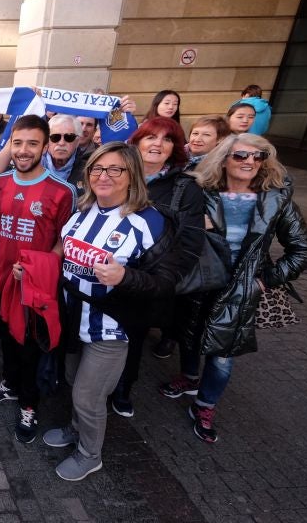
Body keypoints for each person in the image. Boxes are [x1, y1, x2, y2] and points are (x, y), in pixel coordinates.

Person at [159, 134, 307, 443]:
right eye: (242, 156)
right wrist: (193, 225)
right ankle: (188, 378)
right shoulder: (201, 191)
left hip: (239, 288)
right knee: (188, 334)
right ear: (223, 159)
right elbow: (170, 228)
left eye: (258, 157)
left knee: (222, 355)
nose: (250, 162)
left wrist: (264, 280)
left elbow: (304, 249)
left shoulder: (275, 199)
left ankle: (204, 405)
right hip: (198, 279)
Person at [43, 142, 181, 481]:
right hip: (75, 318)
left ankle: (91, 455)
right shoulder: (83, 211)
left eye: (114, 169)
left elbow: (168, 282)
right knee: (76, 381)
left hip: (113, 326)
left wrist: (125, 276)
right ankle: (77, 431)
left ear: (131, 174)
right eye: (96, 169)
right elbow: (65, 257)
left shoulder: (150, 222)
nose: (103, 176)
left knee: (88, 395)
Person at [0, 115, 76, 443]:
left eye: (32, 143)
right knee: (5, 339)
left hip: (33, 288)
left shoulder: (62, 191)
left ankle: (29, 405)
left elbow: (65, 240)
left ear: (45, 146)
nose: (24, 151)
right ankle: (9, 383)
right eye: (18, 143)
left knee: (30, 349)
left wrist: (40, 269)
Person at [107, 117, 204, 415]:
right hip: (104, 271)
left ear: (175, 148)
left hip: (145, 281)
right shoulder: (116, 174)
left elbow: (190, 243)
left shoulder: (184, 188)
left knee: (131, 337)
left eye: (166, 139)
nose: (157, 144)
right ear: (136, 142)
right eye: (150, 137)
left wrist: (162, 280)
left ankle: (123, 389)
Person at [42, 114, 88, 193]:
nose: (61, 143)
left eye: (69, 137)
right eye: (55, 137)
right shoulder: (32, 167)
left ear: (77, 142)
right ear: (47, 140)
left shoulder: (88, 171)